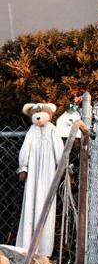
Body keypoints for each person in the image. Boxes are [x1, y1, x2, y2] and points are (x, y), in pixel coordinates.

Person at [17, 102, 64, 256]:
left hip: (49, 171)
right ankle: (26, 247)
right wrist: (23, 167)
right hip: (33, 173)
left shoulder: (52, 130)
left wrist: (62, 166)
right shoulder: (32, 130)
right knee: (30, 202)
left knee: (46, 205)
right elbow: (26, 149)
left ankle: (43, 250)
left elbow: (59, 149)